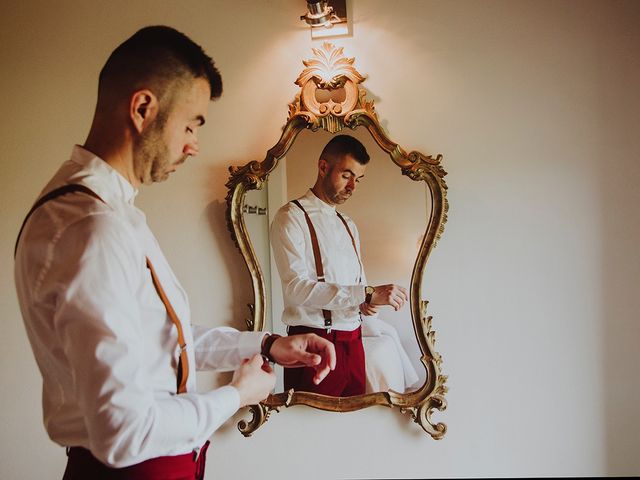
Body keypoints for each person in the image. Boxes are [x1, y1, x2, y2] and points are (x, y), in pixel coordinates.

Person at [13, 26, 336, 480]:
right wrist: (236, 396)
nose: (193, 145)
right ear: (143, 108)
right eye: (190, 124)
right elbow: (122, 432)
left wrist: (267, 345)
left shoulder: (112, 215)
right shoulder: (92, 228)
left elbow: (163, 342)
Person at [270, 134, 409, 397]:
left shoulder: (349, 225)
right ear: (323, 167)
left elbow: (359, 293)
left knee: (353, 432)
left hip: (354, 343)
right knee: (312, 433)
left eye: (359, 178)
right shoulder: (291, 217)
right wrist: (367, 293)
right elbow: (295, 289)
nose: (353, 186)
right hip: (313, 343)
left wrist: (373, 303)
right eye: (347, 175)